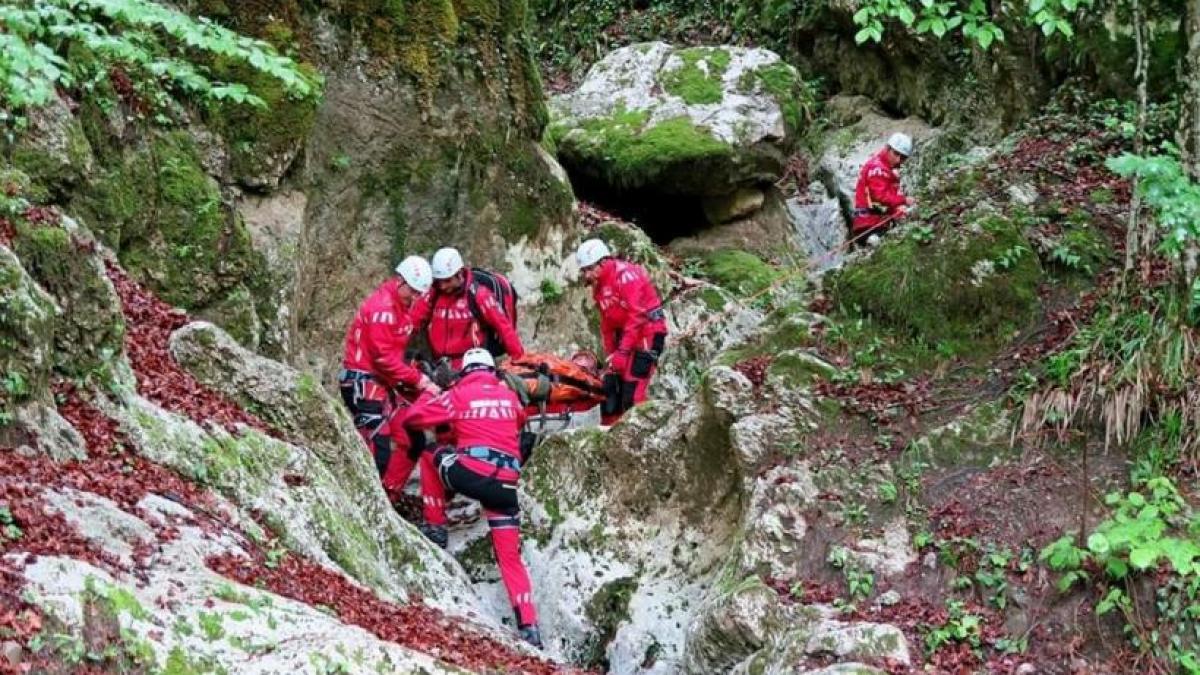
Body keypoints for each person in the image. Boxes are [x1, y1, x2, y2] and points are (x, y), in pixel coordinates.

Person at [403, 348, 543, 649]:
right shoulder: (509, 397)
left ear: (464, 373)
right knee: (510, 558)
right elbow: (514, 421)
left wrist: (432, 389)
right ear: (493, 371)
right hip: (506, 486)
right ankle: (529, 626)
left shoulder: (458, 395)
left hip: (471, 472)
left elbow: (413, 418)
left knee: (429, 455)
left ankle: (436, 527)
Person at [339, 256, 441, 500]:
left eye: (420, 294)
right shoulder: (382, 309)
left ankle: (388, 496)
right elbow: (382, 358)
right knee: (378, 447)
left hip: (383, 383)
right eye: (413, 293)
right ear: (400, 281)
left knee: (412, 438)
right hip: (363, 382)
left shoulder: (405, 305)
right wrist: (418, 380)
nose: (416, 298)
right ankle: (365, 500)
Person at [575, 239, 668, 425]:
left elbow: (638, 315)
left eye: (589, 269)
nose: (587, 275)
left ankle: (640, 437)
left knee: (632, 393)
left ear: (603, 262)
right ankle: (610, 435)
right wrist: (612, 354)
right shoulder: (599, 285)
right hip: (626, 335)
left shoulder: (625, 276)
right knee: (610, 389)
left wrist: (623, 352)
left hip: (647, 333)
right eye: (584, 270)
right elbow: (607, 323)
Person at [414, 247, 524, 371]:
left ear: (459, 273)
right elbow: (413, 321)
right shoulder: (433, 294)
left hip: (470, 366)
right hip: (438, 364)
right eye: (439, 281)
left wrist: (519, 360)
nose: (443, 286)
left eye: (447, 280)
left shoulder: (479, 295)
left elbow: (504, 327)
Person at [852, 132, 915, 245]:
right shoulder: (877, 168)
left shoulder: (882, 167)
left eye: (903, 157)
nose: (898, 160)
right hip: (870, 225)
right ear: (887, 148)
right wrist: (904, 200)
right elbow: (880, 196)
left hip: (873, 223)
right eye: (896, 154)